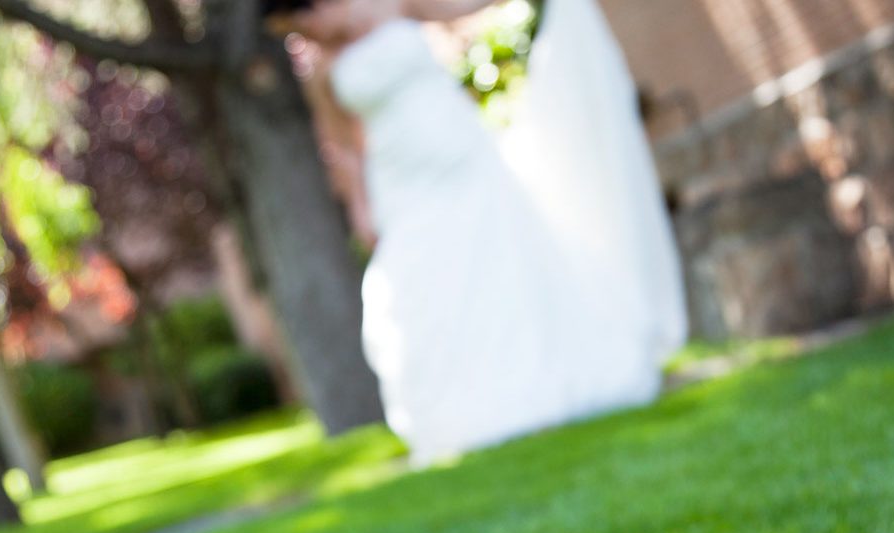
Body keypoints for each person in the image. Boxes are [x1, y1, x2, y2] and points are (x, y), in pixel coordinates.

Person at [264, 0, 688, 466]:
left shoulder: (390, 5)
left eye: (301, 22)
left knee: (501, 264)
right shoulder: (320, 68)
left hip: (462, 157)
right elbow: (344, 147)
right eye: (289, 30)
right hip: (399, 184)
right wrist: (361, 207)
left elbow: (459, 8)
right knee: (426, 289)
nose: (302, 34)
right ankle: (463, 411)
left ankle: (534, 383)